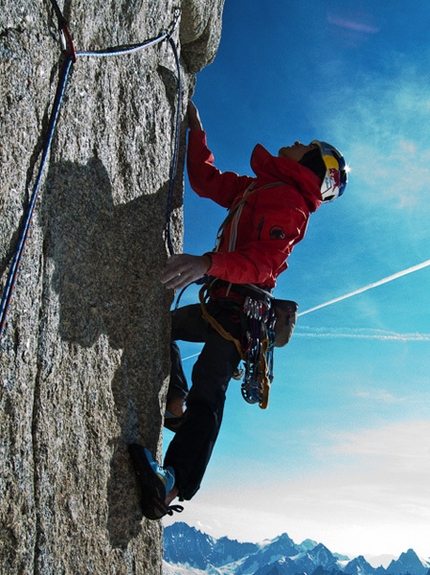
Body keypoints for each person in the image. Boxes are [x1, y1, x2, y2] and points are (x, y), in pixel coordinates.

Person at [128, 101, 348, 520]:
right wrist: (197, 134)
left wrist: (206, 263)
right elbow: (207, 182)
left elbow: (264, 261)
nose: (299, 141)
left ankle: (172, 481)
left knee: (209, 388)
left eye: (308, 146)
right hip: (224, 304)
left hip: (242, 312)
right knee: (161, 330)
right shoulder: (258, 189)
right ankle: (175, 399)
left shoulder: (291, 205)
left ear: (313, 168)